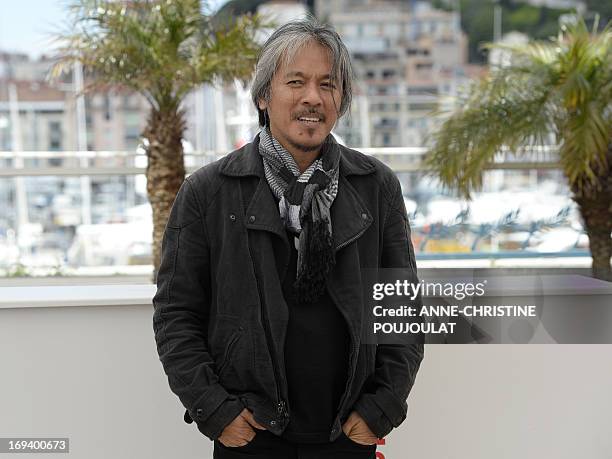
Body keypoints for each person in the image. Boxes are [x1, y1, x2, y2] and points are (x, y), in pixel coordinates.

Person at [152, 18, 424, 459]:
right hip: (251, 437)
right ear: (264, 95)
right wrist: (214, 411)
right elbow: (176, 315)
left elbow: (402, 310)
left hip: (347, 434)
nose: (312, 98)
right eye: (295, 82)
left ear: (341, 98)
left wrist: (382, 408)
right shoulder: (209, 191)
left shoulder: (375, 185)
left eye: (327, 84)